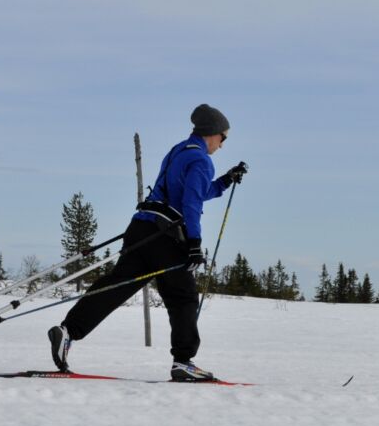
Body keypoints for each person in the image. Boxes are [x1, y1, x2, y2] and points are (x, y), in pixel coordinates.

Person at [47, 103, 247, 381]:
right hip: (166, 237)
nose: (222, 145)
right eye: (223, 138)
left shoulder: (178, 151)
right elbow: (191, 202)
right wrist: (194, 243)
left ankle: (68, 331)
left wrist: (225, 181)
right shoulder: (202, 160)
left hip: (141, 227)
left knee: (116, 286)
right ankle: (184, 362)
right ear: (212, 133)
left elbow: (193, 191)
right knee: (183, 297)